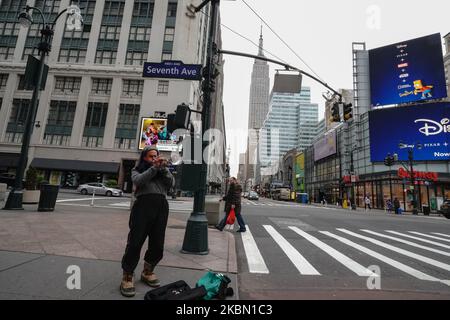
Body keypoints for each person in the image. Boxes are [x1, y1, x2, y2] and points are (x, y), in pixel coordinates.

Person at [120, 145, 175, 298]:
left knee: (158, 242)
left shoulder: (162, 171)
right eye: (151, 156)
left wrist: (163, 169)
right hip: (143, 207)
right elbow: (138, 181)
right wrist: (154, 168)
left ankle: (148, 271)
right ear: (144, 157)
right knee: (135, 241)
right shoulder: (137, 170)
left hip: (161, 207)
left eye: (156, 156)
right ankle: (127, 275)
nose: (154, 159)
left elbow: (172, 184)